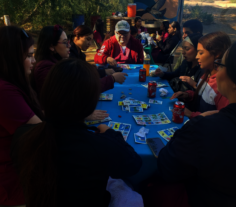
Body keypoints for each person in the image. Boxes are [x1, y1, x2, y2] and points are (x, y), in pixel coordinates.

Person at [12, 59, 142, 207]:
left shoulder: (22, 136)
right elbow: (134, 165)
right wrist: (112, 134)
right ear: (90, 104)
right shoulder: (99, 146)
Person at [158, 39, 236, 207]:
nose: (217, 70)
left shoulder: (205, 129)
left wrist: (196, 121)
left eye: (220, 65)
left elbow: (167, 168)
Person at [0, 26, 43, 206]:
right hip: (14, 186)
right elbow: (42, 132)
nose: (33, 61)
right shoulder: (4, 92)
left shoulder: (12, 84)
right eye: (28, 56)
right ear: (12, 59)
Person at [170, 31, 231, 118]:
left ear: (217, 54)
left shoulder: (221, 85)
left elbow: (222, 118)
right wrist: (187, 95)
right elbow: (200, 96)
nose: (197, 56)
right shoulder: (206, 74)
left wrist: (191, 114)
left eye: (201, 53)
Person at [70, 25, 128, 92]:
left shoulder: (79, 54)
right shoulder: (70, 57)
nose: (90, 43)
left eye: (125, 34)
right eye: (88, 39)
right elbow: (84, 84)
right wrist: (111, 77)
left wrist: (94, 69)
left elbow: (83, 72)